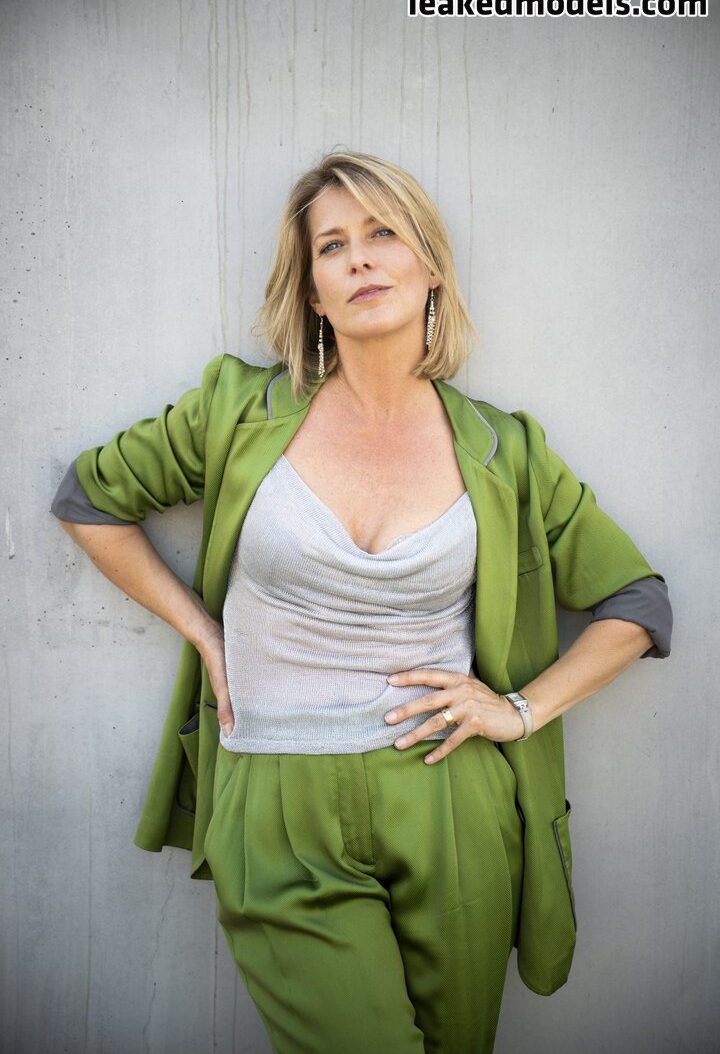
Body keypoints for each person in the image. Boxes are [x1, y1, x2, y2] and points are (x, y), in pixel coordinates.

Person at [51, 151, 672, 1054]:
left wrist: (518, 711)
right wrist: (206, 635)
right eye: (333, 245)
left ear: (431, 265)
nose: (361, 258)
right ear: (313, 292)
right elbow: (89, 500)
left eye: (384, 233)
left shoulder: (502, 450)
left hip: (450, 797)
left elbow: (638, 603)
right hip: (278, 802)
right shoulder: (238, 411)